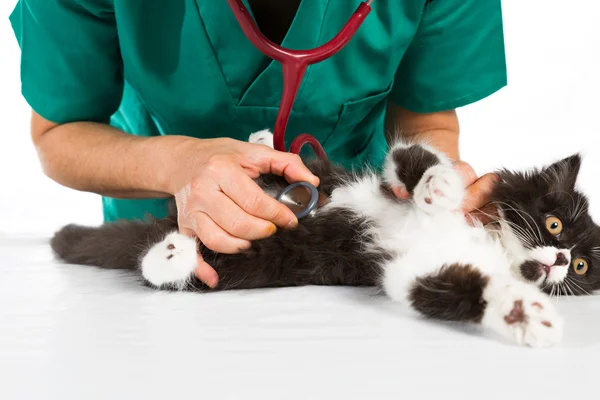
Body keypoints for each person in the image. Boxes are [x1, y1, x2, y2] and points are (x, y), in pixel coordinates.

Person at [9, 0, 506, 288]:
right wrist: (178, 163)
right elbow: (58, 134)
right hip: (166, 254)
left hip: (354, 259)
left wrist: (439, 181)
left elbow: (427, 117)